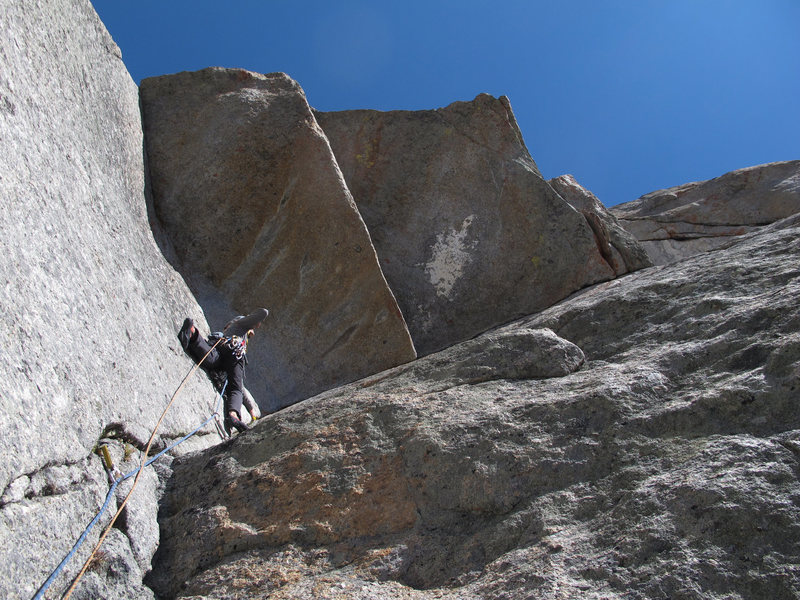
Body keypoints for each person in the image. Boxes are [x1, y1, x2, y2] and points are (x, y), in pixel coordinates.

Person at [177, 308, 268, 435]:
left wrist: (251, 409)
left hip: (222, 354)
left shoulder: (236, 331)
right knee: (234, 389)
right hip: (235, 355)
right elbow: (263, 312)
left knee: (211, 360)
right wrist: (256, 320)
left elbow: (241, 388)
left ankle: (193, 333)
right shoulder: (242, 323)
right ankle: (233, 415)